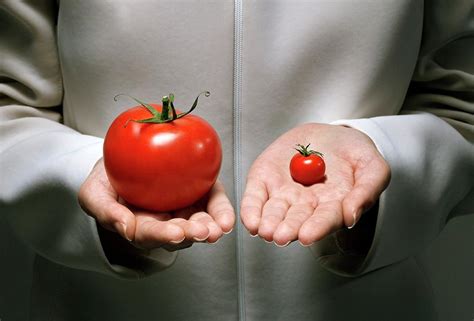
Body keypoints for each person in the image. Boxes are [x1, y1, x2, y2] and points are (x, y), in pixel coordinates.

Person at [0, 0, 472, 320]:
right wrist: (84, 175)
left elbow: (462, 103)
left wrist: (385, 156)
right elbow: (8, 106)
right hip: (100, 306)